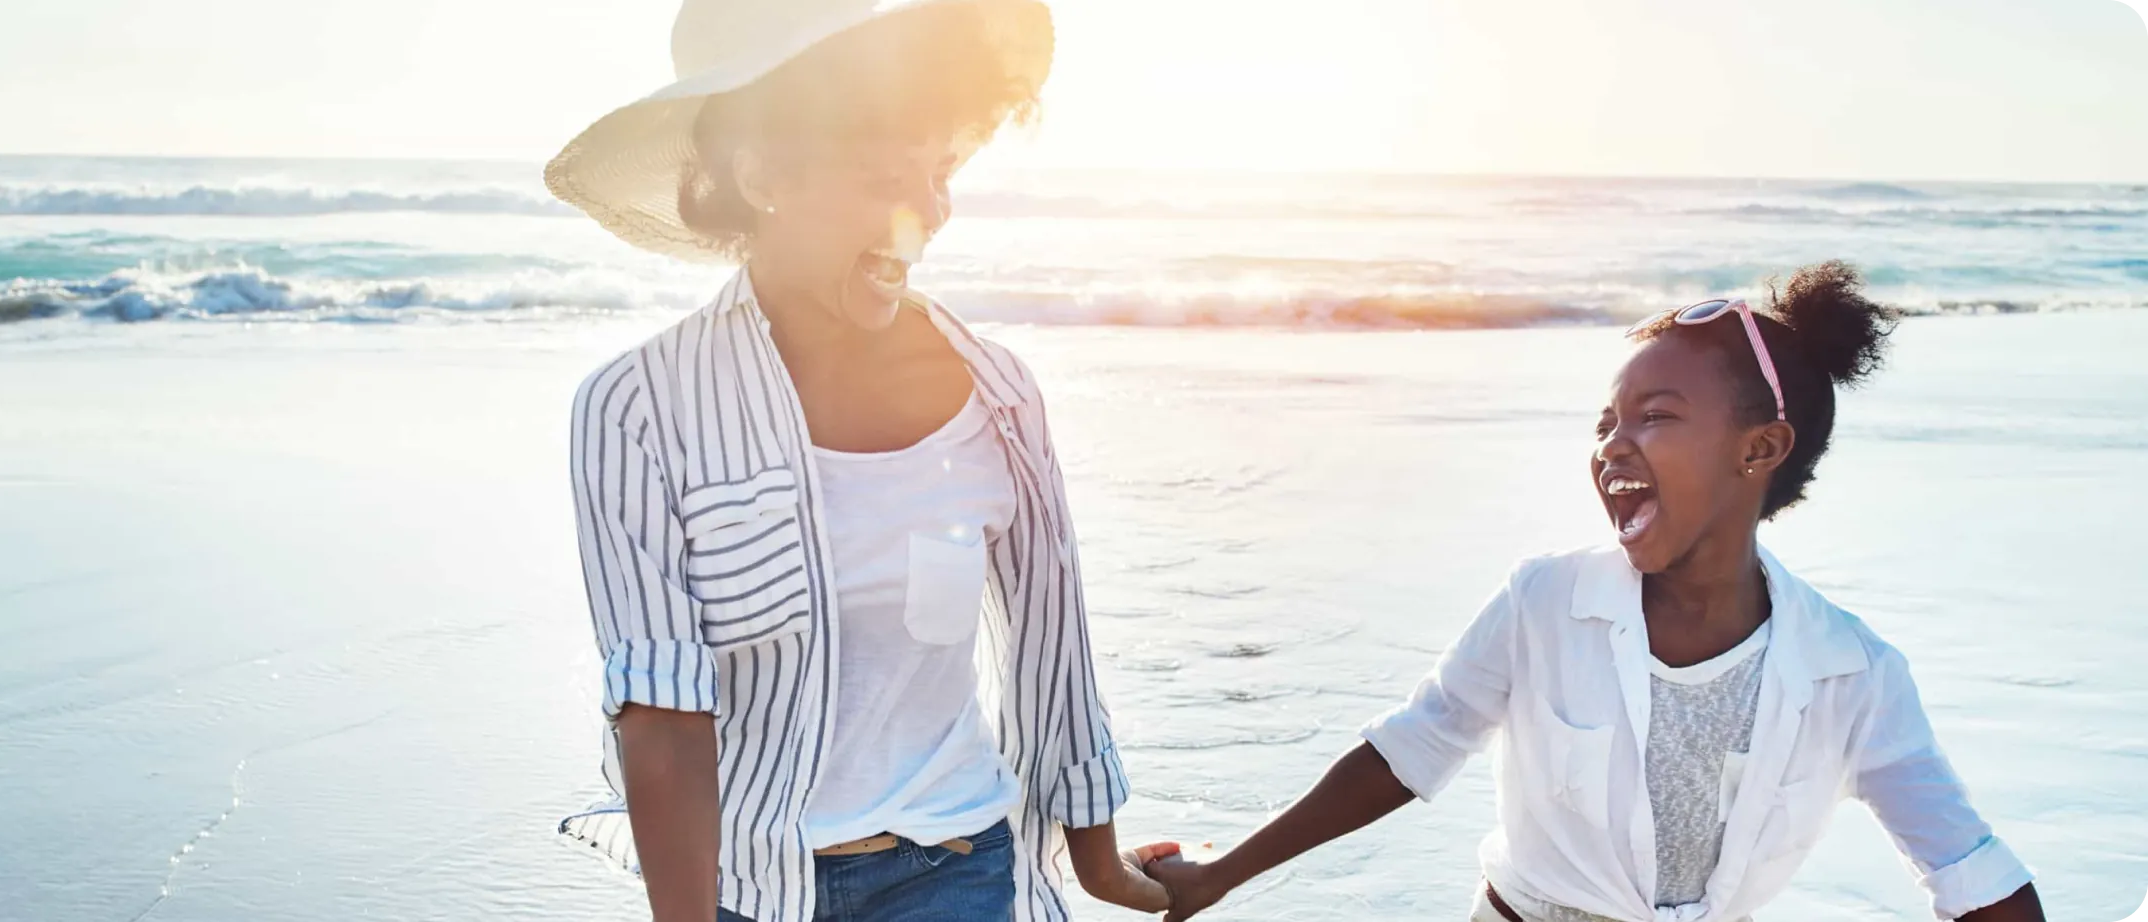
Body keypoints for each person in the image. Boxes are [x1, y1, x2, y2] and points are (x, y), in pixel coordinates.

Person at [1141, 262, 2045, 922]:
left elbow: (1970, 871)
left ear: (1759, 450)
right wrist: (1224, 873)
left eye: (1655, 418)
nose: (1614, 446)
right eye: (1606, 422)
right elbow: (1408, 751)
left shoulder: (1853, 675)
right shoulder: (1545, 604)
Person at [546, 1, 1172, 921]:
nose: (925, 214)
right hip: (748, 889)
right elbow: (661, 712)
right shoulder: (639, 410)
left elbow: (1053, 654)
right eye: (886, 175)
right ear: (761, 172)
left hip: (957, 871)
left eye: (940, 170)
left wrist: (1102, 866)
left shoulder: (998, 396)